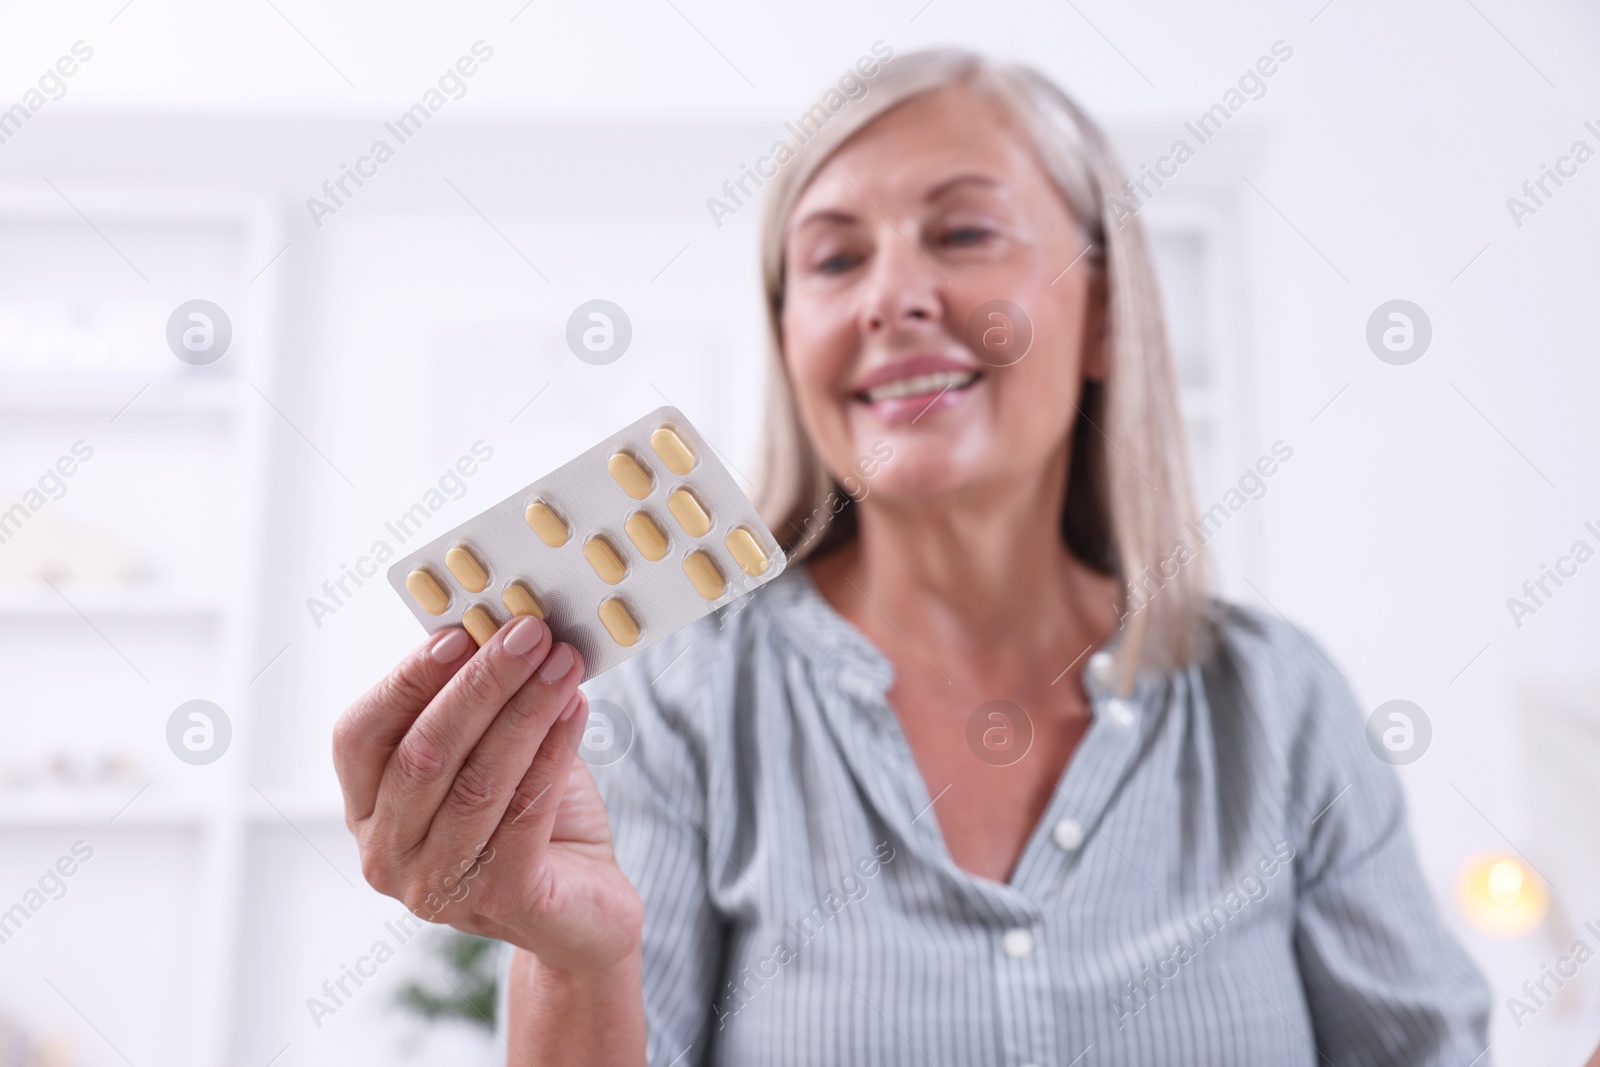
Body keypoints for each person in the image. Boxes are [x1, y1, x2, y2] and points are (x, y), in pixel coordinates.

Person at [333, 49, 1491, 1066]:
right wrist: (575, 961)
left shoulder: (1279, 702)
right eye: (833, 261)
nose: (891, 296)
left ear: (1099, 314)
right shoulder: (682, 711)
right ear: (792, 346)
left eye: (965, 232)